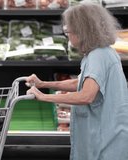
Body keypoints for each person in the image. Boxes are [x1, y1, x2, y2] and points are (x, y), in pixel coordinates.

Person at [25, 2, 128, 160]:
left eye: (68, 31)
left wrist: (44, 97)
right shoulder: (102, 52)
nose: (68, 35)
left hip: (105, 141)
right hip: (108, 135)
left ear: (82, 31)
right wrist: (43, 84)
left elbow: (86, 96)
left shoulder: (98, 56)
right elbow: (79, 83)